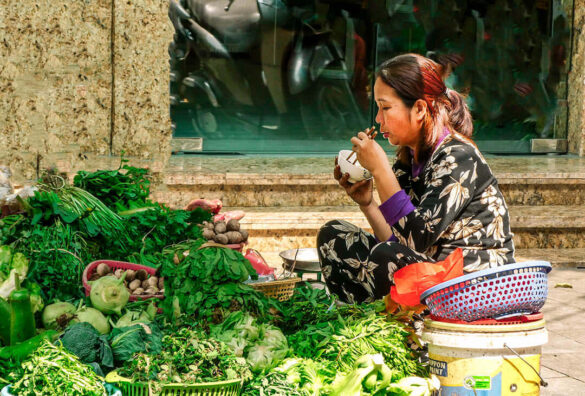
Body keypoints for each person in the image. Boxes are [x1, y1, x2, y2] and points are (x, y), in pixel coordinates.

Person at [317, 53, 515, 304]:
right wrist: (367, 202)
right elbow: (398, 239)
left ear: (420, 108)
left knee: (387, 257)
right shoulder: (409, 159)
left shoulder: (458, 156)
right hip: (432, 272)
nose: (378, 120)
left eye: (385, 108)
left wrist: (380, 170)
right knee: (333, 236)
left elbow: (416, 240)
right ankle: (363, 321)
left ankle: (386, 320)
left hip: (474, 285)